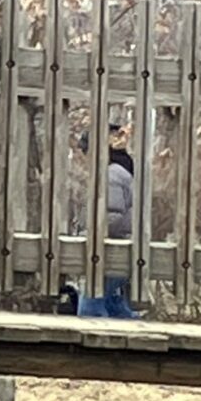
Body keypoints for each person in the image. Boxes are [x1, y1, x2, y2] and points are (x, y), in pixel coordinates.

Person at [74, 123, 139, 319]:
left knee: (90, 307)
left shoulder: (110, 176)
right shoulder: (118, 171)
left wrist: (87, 234)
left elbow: (111, 217)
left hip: (110, 252)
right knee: (113, 305)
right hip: (120, 249)